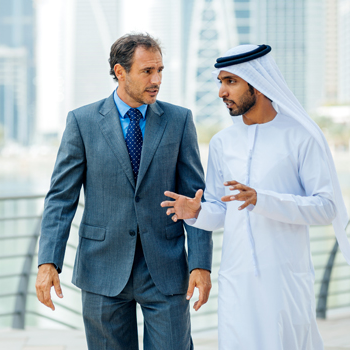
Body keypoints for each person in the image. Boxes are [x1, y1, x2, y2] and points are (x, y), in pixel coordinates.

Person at [161, 44, 350, 350]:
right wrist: (195, 212)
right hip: (237, 280)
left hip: (285, 279)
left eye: (231, 82)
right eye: (220, 82)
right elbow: (220, 212)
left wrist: (264, 200)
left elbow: (326, 207)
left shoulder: (301, 136)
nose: (222, 92)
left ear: (258, 85)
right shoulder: (223, 143)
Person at [35, 33, 213, 350]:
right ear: (120, 72)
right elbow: (61, 199)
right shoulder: (83, 121)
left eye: (160, 70)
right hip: (102, 268)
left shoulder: (179, 120)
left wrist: (200, 263)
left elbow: (195, 199)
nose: (156, 79)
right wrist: (48, 262)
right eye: (147, 71)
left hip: (166, 267)